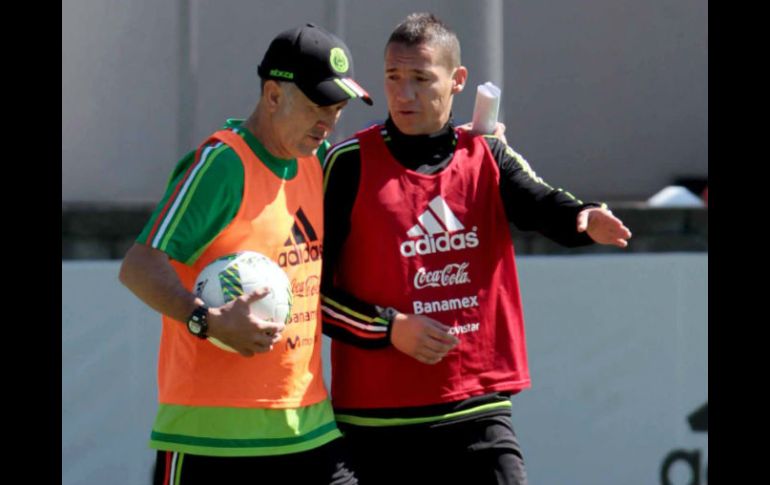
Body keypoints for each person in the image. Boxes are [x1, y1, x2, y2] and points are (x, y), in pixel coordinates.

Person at [320, 12, 631, 485]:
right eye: (393, 77)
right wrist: (389, 329)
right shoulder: (347, 164)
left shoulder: (486, 152)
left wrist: (581, 217)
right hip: (377, 423)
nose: (404, 94)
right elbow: (308, 294)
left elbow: (540, 203)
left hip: (477, 409)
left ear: (458, 80)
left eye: (421, 78)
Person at [119, 23, 372, 485]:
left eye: (337, 108)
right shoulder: (222, 164)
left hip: (308, 428)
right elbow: (138, 266)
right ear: (273, 96)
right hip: (210, 440)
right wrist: (206, 321)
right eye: (318, 105)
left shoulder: (318, 161)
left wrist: (475, 146)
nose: (329, 121)